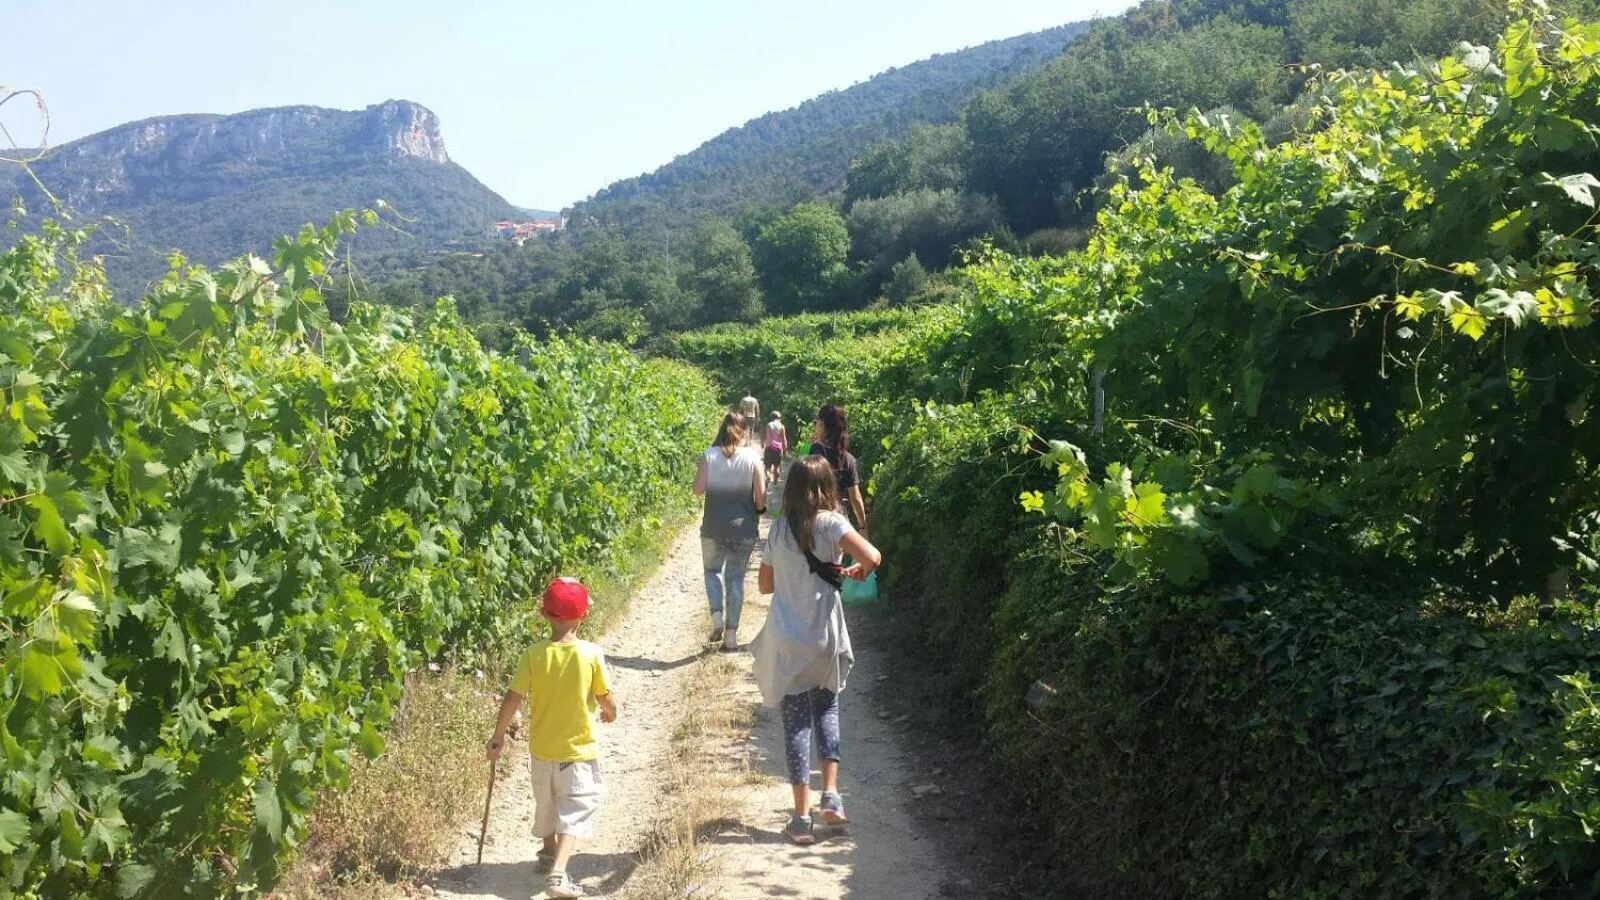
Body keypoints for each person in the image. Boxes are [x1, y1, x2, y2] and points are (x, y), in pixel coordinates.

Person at [750, 455, 882, 845]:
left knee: (795, 724)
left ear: (790, 488)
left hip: (788, 638)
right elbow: (872, 557)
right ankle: (832, 797)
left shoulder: (777, 529)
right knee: (826, 709)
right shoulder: (831, 523)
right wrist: (858, 570)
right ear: (829, 488)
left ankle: (801, 819)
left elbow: (764, 586)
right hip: (825, 634)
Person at [487, 577, 618, 899]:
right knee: (574, 808)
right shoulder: (590, 654)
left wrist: (498, 735)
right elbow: (605, 697)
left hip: (541, 749)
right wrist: (611, 711)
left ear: (543, 614)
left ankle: (547, 854)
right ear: (584, 615)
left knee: (546, 804)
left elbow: (513, 697)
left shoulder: (533, 654)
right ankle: (558, 875)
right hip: (577, 750)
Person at [693, 412, 766, 650]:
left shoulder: (709, 455)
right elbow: (760, 496)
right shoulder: (752, 458)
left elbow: (697, 489)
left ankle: (716, 618)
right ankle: (731, 636)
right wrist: (759, 509)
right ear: (744, 432)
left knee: (711, 571)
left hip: (713, 526)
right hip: (743, 529)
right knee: (734, 579)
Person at [809, 403, 867, 533]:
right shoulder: (848, 459)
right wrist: (863, 526)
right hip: (839, 520)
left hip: (815, 518)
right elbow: (855, 497)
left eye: (816, 422)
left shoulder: (814, 451)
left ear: (822, 424)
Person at [761, 410, 789, 482]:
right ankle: (775, 480)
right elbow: (784, 440)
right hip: (778, 450)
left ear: (771, 417)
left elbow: (764, 435)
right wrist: (785, 452)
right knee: (777, 466)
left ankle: (768, 477)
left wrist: (762, 442)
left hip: (769, 448)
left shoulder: (769, 424)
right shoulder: (782, 426)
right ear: (778, 418)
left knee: (767, 467)